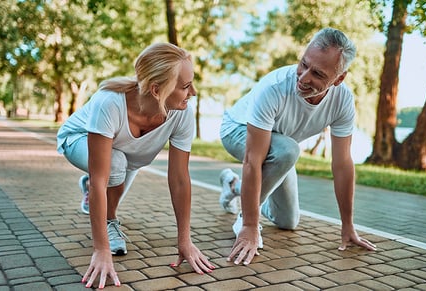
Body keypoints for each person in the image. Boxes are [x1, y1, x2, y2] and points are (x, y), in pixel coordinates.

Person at [57, 43, 215, 289]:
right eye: (185, 86)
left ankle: (96, 193)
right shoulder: (108, 103)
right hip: (76, 140)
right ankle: (109, 221)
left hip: (124, 155)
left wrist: (184, 240)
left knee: (117, 166)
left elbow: (180, 179)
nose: (193, 92)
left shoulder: (181, 113)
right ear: (156, 89)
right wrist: (101, 249)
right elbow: (101, 180)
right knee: (113, 168)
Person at [218, 28, 377, 266]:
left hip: (281, 145)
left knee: (288, 221)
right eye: (303, 64)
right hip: (237, 129)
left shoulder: (342, 101)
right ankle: (246, 216)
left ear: (339, 78)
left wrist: (347, 225)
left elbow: (342, 164)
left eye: (318, 74)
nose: (303, 77)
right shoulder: (274, 88)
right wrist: (250, 225)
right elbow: (253, 160)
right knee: (288, 151)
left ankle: (233, 185)